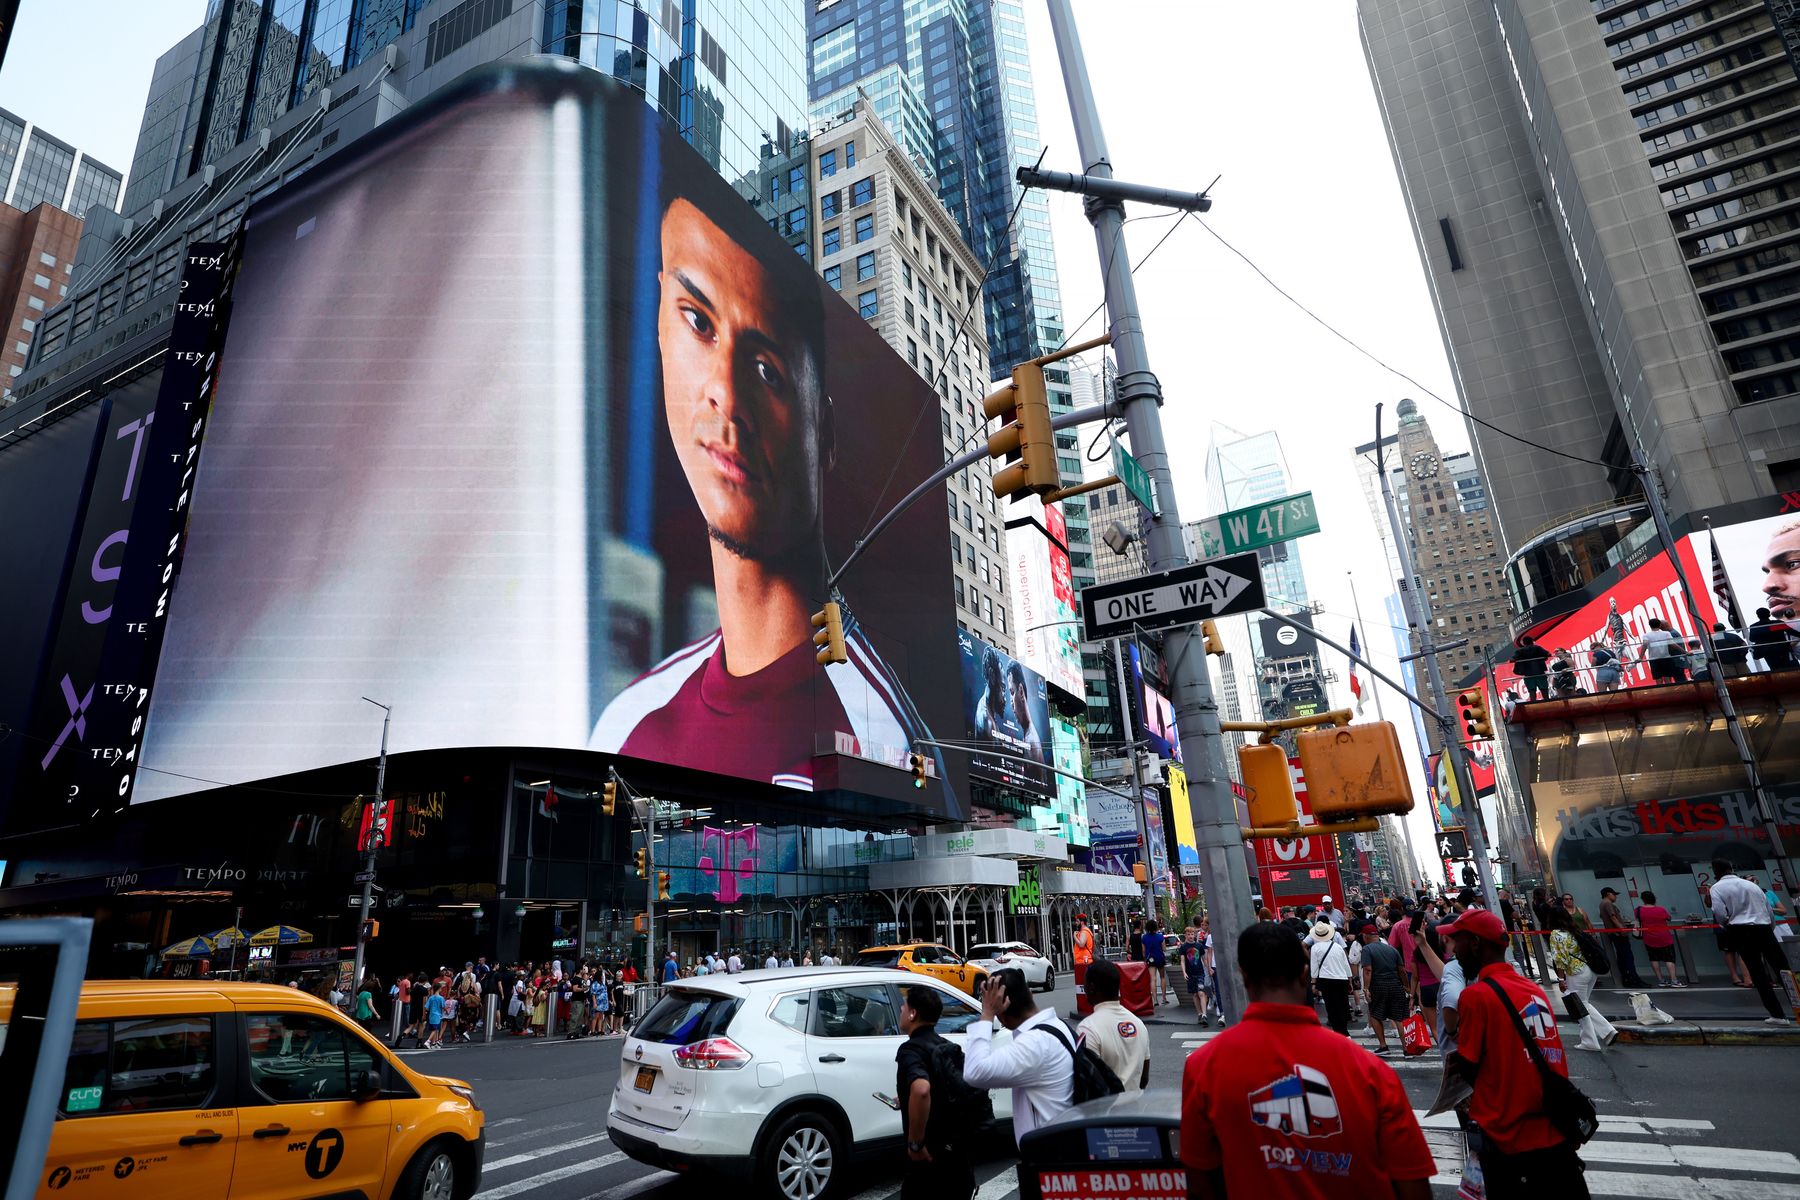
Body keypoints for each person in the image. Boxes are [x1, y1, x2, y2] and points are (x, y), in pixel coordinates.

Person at [589, 174, 941, 797]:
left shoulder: (883, 727)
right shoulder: (624, 727)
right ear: (659, 327)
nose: (725, 391)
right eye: (697, 322)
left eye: (765, 369)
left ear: (824, 429)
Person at [1179, 923, 1435, 1199]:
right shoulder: (1369, 1069)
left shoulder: (1204, 1066)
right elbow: (1413, 1183)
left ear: (1243, 975)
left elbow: (1200, 1176)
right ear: (1304, 974)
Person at [1443, 907, 1589, 1195]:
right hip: (1555, 1134)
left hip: (1509, 1140)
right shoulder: (1532, 990)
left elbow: (1469, 1065)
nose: (1454, 951)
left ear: (1474, 943)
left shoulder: (1476, 997)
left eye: (1456, 941)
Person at [962, 968, 1074, 1144]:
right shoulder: (1058, 1026)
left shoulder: (1035, 1043)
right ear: (1030, 993)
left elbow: (974, 1072)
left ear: (1003, 1012)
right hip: (1061, 1144)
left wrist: (987, 1014)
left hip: (1050, 1155)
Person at [895, 985, 978, 1200]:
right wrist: (905, 1098)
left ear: (913, 1014)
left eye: (904, 1007)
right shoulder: (947, 1047)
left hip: (929, 1161)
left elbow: (922, 1090)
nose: (901, 1011)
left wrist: (915, 1144)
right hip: (957, 1158)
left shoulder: (910, 1050)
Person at [1709, 858, 1793, 1024]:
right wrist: (1769, 927)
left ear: (1715, 872)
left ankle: (1777, 1014)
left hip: (1740, 930)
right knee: (1783, 968)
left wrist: (1727, 924)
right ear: (1731, 868)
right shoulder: (1752, 885)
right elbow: (1767, 910)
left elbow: (1719, 912)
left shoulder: (1717, 888)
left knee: (1758, 972)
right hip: (1763, 928)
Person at [1542, 906, 1616, 1051]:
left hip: (1575, 972)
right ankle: (1607, 1032)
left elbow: (1560, 959)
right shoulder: (1575, 930)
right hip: (1589, 970)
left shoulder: (1556, 934)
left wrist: (1561, 979)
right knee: (1583, 1003)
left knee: (1579, 1006)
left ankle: (1590, 1041)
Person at [1076, 960, 1150, 1091]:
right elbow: (1143, 1079)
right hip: (1136, 1108)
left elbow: (1088, 1083)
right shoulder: (1139, 1024)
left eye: (1085, 984)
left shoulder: (1088, 1028)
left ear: (1091, 987)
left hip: (1107, 1110)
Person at [1359, 923, 1409, 1055]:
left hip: (1378, 985)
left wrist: (1366, 988)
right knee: (1399, 1017)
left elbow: (1368, 970)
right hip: (1395, 984)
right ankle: (1406, 1048)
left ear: (1365, 936)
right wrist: (1406, 987)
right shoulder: (1392, 949)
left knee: (1375, 1014)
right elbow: (1402, 970)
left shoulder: (1367, 949)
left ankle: (1383, 1046)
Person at [1308, 921, 1353, 1036]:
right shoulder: (1337, 946)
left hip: (1326, 979)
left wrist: (1313, 983)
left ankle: (1338, 1031)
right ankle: (1344, 1031)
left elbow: (1314, 967)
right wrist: (1350, 980)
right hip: (1342, 979)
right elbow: (1345, 964)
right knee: (1342, 1005)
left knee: (1331, 1006)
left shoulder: (1315, 948)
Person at [1595, 887, 1645, 987]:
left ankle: (1627, 978)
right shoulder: (1608, 903)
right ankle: (1633, 979)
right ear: (1608, 894)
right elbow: (1613, 916)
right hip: (1618, 934)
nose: (1615, 897)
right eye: (1614, 894)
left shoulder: (1602, 904)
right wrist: (1622, 928)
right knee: (1627, 957)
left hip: (1614, 934)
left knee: (1622, 957)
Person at [1633, 891, 1681, 988]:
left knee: (1654, 958)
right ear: (1654, 898)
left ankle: (1661, 980)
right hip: (1664, 937)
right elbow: (1669, 918)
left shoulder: (1638, 910)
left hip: (1649, 938)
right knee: (1669, 959)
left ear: (1643, 899)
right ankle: (1674, 980)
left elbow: (1638, 920)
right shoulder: (1660, 910)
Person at [1638, 617, 1687, 683]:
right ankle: (1671, 691)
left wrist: (1640, 658)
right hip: (1666, 658)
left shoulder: (1646, 635)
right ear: (1660, 625)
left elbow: (1644, 645)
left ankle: (1662, 691)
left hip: (1654, 659)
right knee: (1667, 678)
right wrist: (1685, 652)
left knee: (1658, 679)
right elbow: (1673, 644)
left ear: (1650, 626)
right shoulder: (1666, 633)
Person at [1749, 606, 1796, 671]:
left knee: (1775, 670)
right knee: (1792, 668)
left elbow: (1752, 639)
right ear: (1769, 614)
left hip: (1767, 652)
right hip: (1782, 650)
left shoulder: (1754, 627)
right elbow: (1792, 632)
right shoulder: (1777, 623)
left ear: (1758, 616)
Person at [1513, 635, 1550, 700]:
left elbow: (1513, 659)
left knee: (1532, 691)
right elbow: (1548, 654)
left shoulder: (1519, 651)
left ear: (1524, 643)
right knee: (1544, 690)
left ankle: (1533, 704)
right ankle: (1548, 701)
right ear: (1532, 641)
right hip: (1540, 672)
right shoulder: (1537, 648)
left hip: (1528, 674)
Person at [1142, 919, 1169, 1005]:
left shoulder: (1144, 937)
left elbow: (1143, 951)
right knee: (1162, 977)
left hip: (1150, 959)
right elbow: (1164, 948)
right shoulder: (1160, 936)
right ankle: (1164, 998)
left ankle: (1155, 1000)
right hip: (1160, 958)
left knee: (1152, 979)